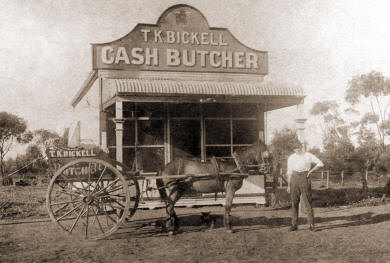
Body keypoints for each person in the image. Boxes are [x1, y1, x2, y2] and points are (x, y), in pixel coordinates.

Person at [286, 141, 323, 232]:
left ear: (301, 147)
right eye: (295, 148)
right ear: (293, 149)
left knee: (307, 202)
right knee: (294, 202)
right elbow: (289, 172)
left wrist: (310, 171)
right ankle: (294, 225)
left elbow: (320, 163)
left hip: (304, 178)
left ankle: (311, 225)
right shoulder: (291, 157)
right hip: (294, 179)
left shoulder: (308, 155)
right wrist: (288, 185)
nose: (297, 149)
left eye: (298, 147)